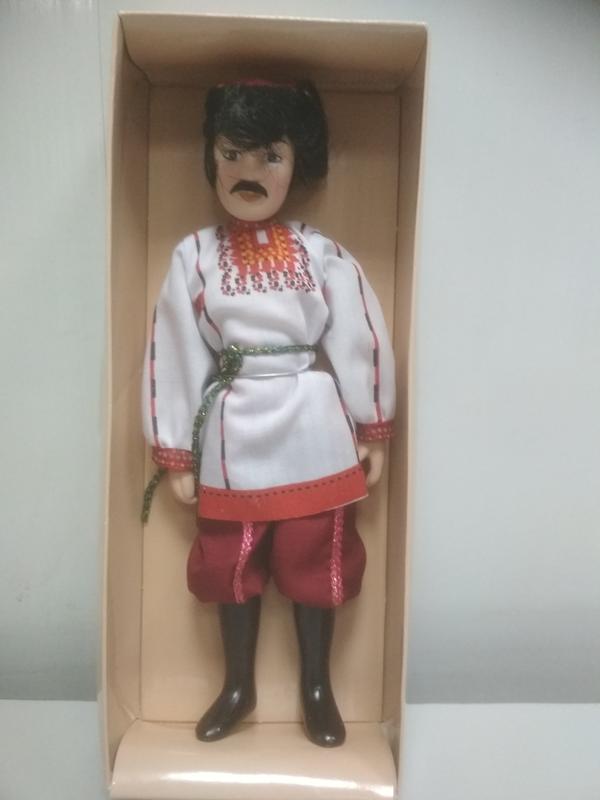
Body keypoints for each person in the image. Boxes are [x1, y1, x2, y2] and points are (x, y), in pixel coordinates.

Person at [142, 79, 395, 747]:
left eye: (270, 157)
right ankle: (238, 685)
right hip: (234, 424)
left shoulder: (318, 251)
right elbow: (173, 349)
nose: (248, 172)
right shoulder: (195, 255)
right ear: (212, 160)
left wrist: (372, 422)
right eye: (233, 154)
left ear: (296, 164)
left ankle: (317, 686)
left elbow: (359, 333)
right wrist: (175, 448)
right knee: (230, 560)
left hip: (313, 418)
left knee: (317, 554)